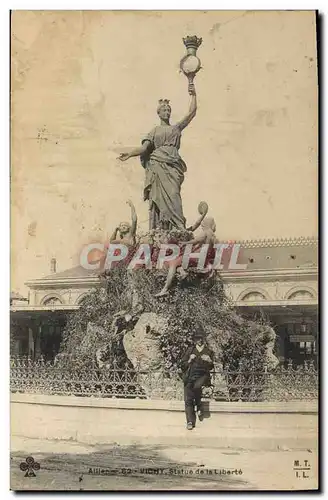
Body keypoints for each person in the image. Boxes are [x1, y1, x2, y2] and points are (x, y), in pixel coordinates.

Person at [118, 83, 197, 230]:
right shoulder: (154, 131)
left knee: (174, 195)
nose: (167, 112)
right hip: (158, 166)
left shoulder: (176, 128)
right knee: (159, 199)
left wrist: (194, 94)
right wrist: (130, 154)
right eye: (164, 110)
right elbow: (144, 148)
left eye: (168, 110)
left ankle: (179, 228)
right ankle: (162, 230)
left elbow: (192, 112)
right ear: (159, 113)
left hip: (173, 167)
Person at [154, 215, 217, 297]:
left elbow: (195, 240)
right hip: (202, 258)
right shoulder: (213, 235)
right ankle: (182, 271)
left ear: (207, 224)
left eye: (203, 224)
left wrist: (184, 243)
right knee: (179, 261)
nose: (202, 226)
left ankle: (165, 289)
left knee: (173, 262)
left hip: (197, 257)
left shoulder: (206, 232)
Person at [180, 331, 214, 430]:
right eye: (197, 338)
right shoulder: (190, 350)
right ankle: (190, 421)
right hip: (190, 376)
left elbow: (211, 367)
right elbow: (182, 365)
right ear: (194, 340)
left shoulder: (208, 351)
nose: (199, 340)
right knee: (188, 399)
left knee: (196, 386)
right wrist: (189, 360)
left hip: (203, 376)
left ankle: (199, 405)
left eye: (201, 338)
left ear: (203, 339)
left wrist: (209, 361)